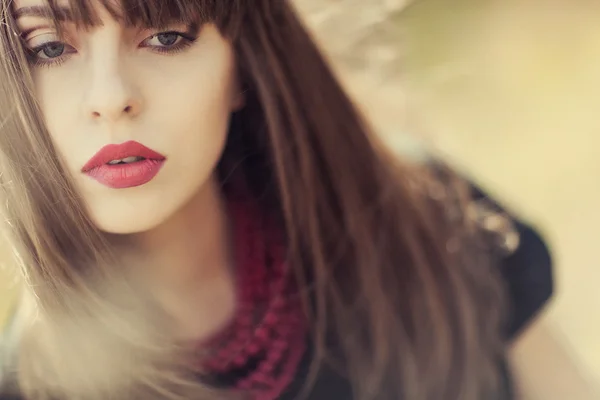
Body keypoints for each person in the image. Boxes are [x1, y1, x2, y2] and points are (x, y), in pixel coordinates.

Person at [0, 0, 553, 399]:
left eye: (166, 36)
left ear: (242, 66)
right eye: (48, 47)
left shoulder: (429, 221)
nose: (112, 96)